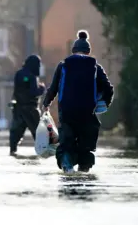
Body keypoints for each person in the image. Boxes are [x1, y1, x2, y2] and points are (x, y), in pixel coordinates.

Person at [42, 30, 114, 173]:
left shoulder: (63, 66)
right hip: (87, 114)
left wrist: (46, 104)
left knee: (66, 144)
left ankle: (67, 166)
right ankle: (84, 171)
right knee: (86, 148)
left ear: (73, 51)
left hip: (67, 113)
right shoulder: (95, 67)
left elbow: (54, 88)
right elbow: (108, 88)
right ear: (88, 52)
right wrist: (104, 104)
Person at [9, 54, 46, 156]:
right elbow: (34, 92)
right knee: (38, 133)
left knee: (16, 132)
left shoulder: (18, 74)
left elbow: (16, 90)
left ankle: (13, 150)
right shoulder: (32, 76)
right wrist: (42, 88)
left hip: (18, 108)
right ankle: (42, 151)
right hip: (31, 109)